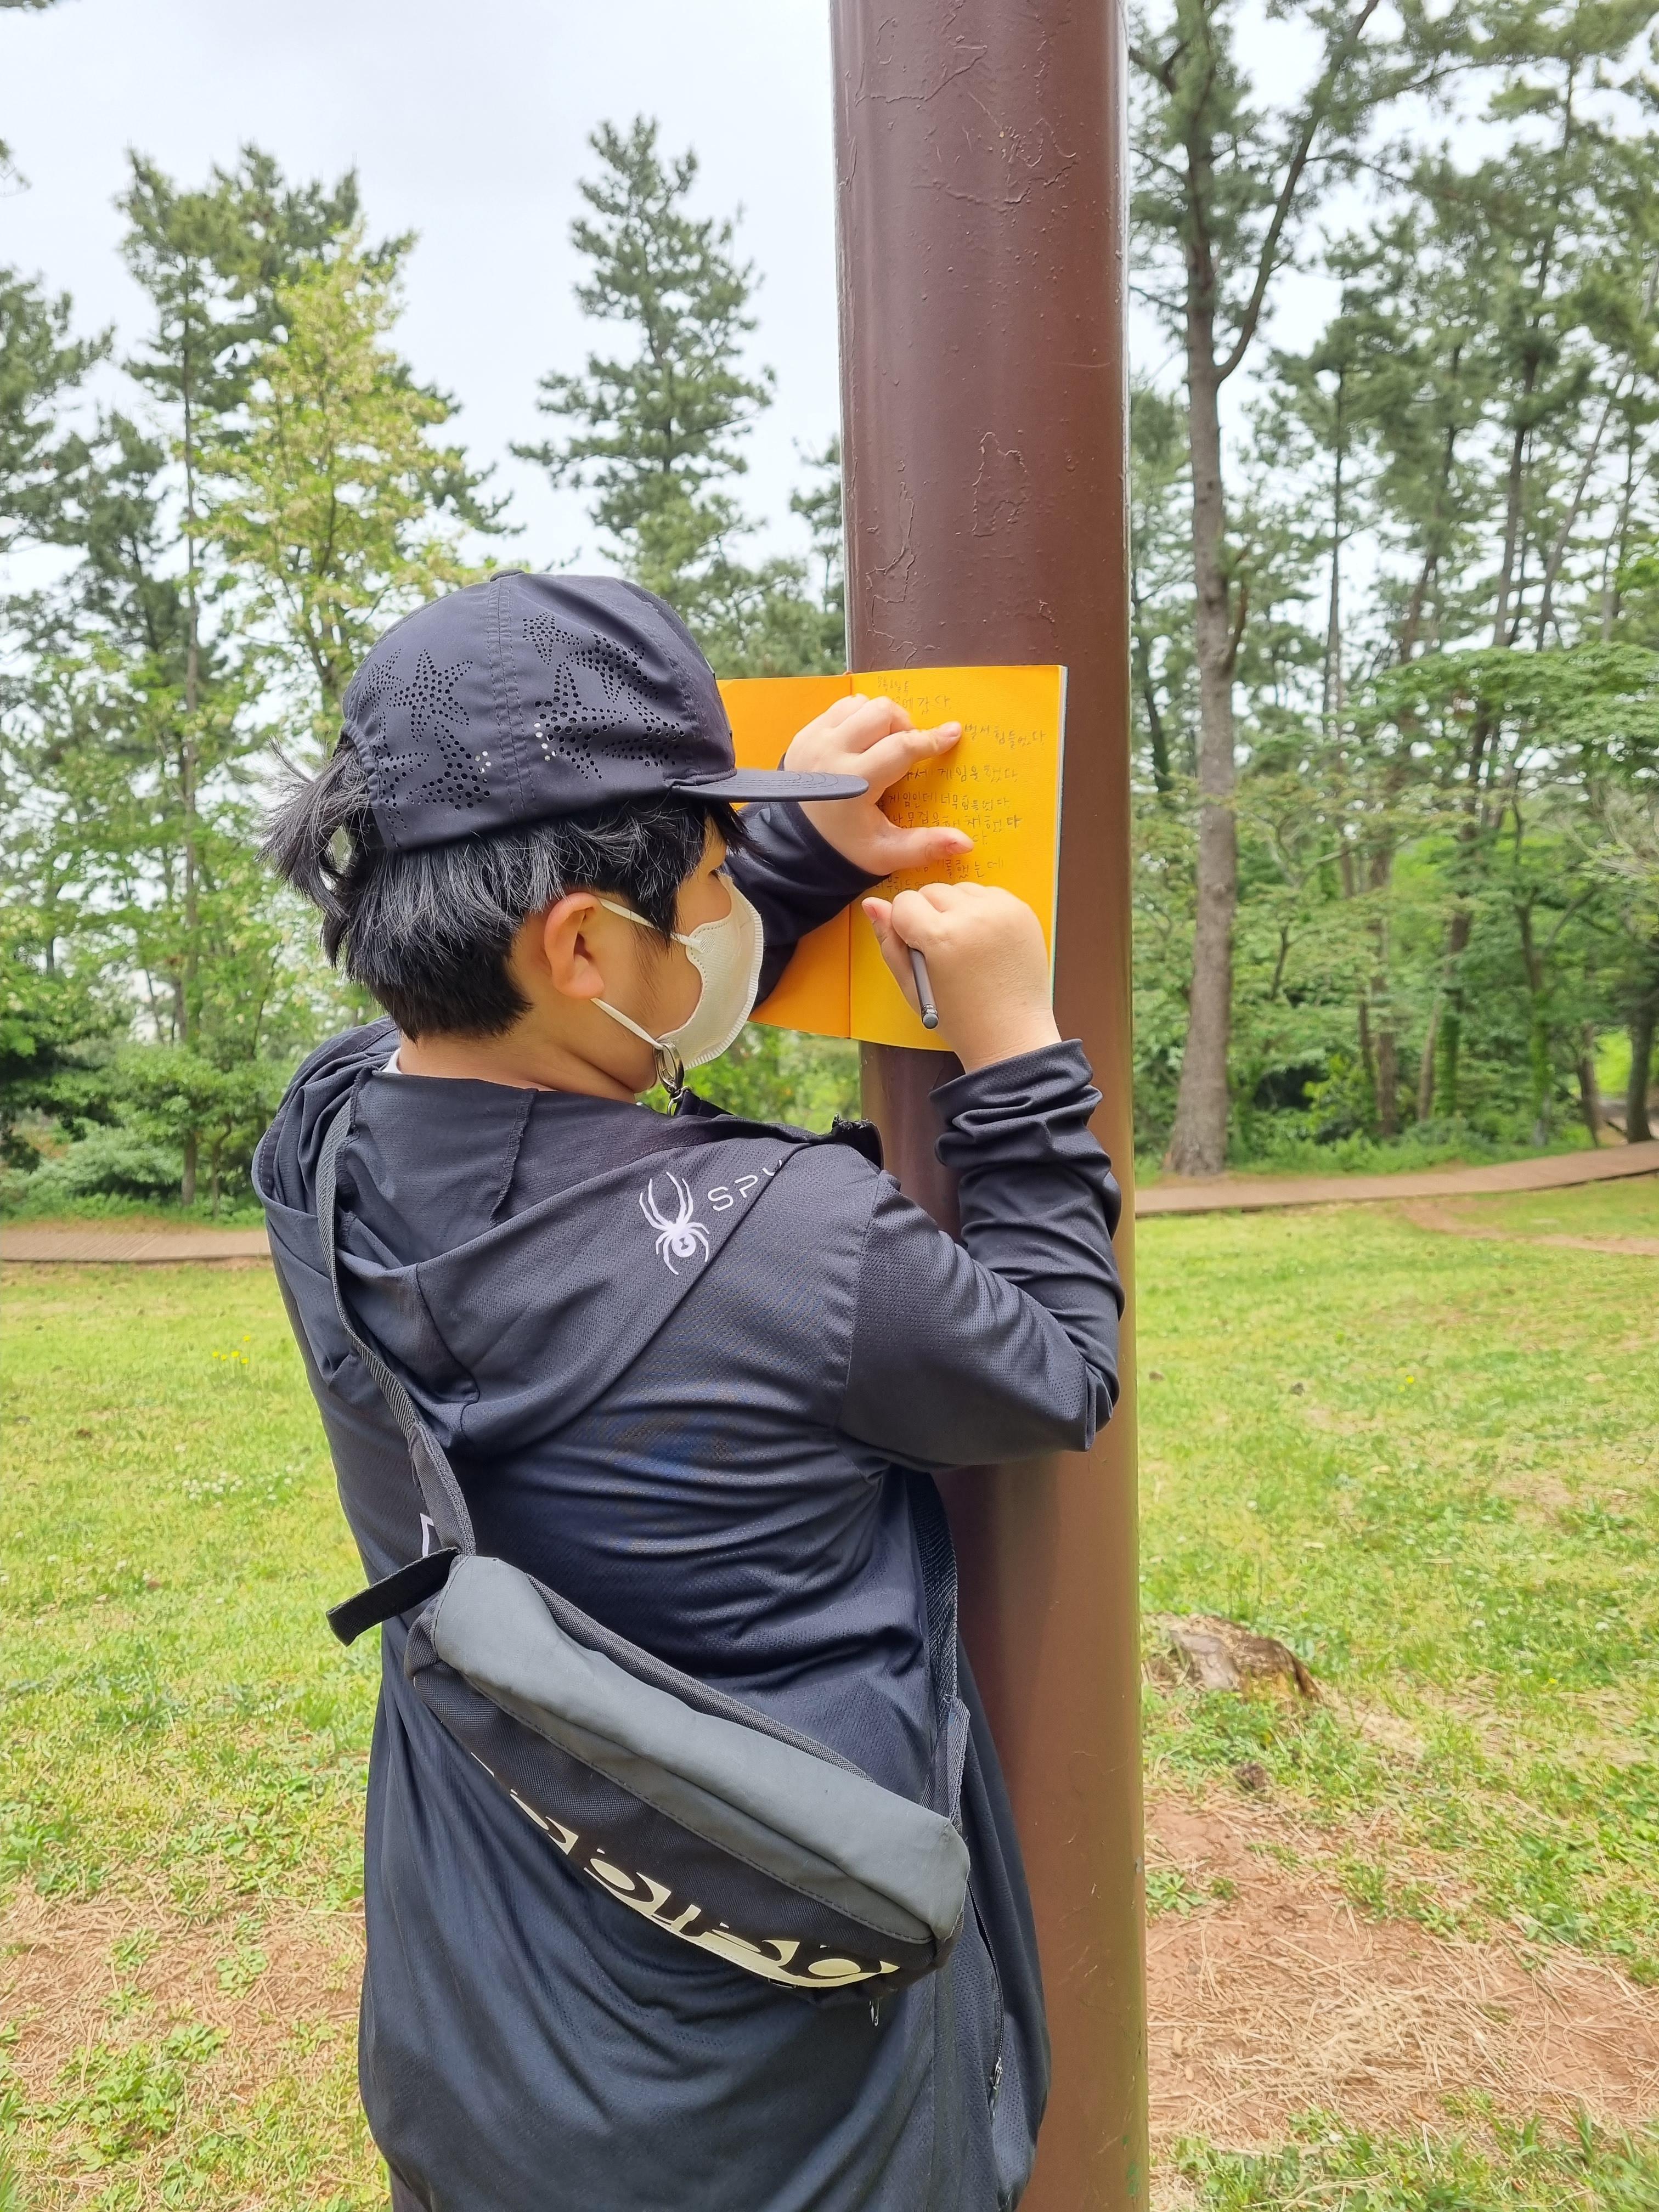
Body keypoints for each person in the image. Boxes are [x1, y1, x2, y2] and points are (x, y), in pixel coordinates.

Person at [253, 571, 1122, 2212]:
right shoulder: (804, 1246)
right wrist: (1015, 1052)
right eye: (713, 873)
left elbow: (557, 1016)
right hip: (793, 2099)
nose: (731, 901)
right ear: (584, 942)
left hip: (483, 2029)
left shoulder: (323, 1141)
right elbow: (1057, 1374)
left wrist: (795, 858)